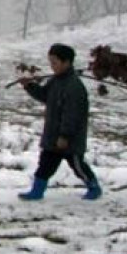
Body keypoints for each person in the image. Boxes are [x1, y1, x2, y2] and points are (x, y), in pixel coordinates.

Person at [17, 43, 102, 201]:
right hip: (53, 136)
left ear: (67, 62)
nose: (52, 66)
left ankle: (93, 186)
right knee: (45, 164)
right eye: (51, 62)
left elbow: (72, 115)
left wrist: (65, 136)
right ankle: (37, 191)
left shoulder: (74, 87)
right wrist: (29, 86)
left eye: (55, 63)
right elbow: (44, 96)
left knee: (78, 166)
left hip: (69, 139)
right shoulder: (56, 81)